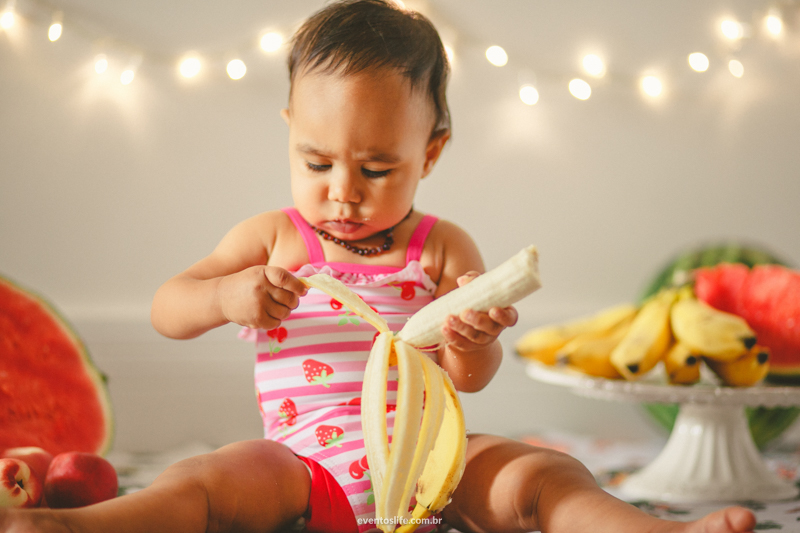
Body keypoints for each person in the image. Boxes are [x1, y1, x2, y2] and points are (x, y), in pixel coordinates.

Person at [1, 1, 758, 532]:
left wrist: (471, 336)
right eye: (318, 160)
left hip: (435, 463)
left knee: (539, 475)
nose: (343, 192)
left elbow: (470, 378)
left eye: (376, 167)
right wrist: (228, 295)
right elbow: (170, 307)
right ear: (290, 131)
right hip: (302, 466)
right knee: (205, 482)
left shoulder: (441, 246)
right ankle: (84, 527)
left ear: (430, 151)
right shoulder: (275, 238)